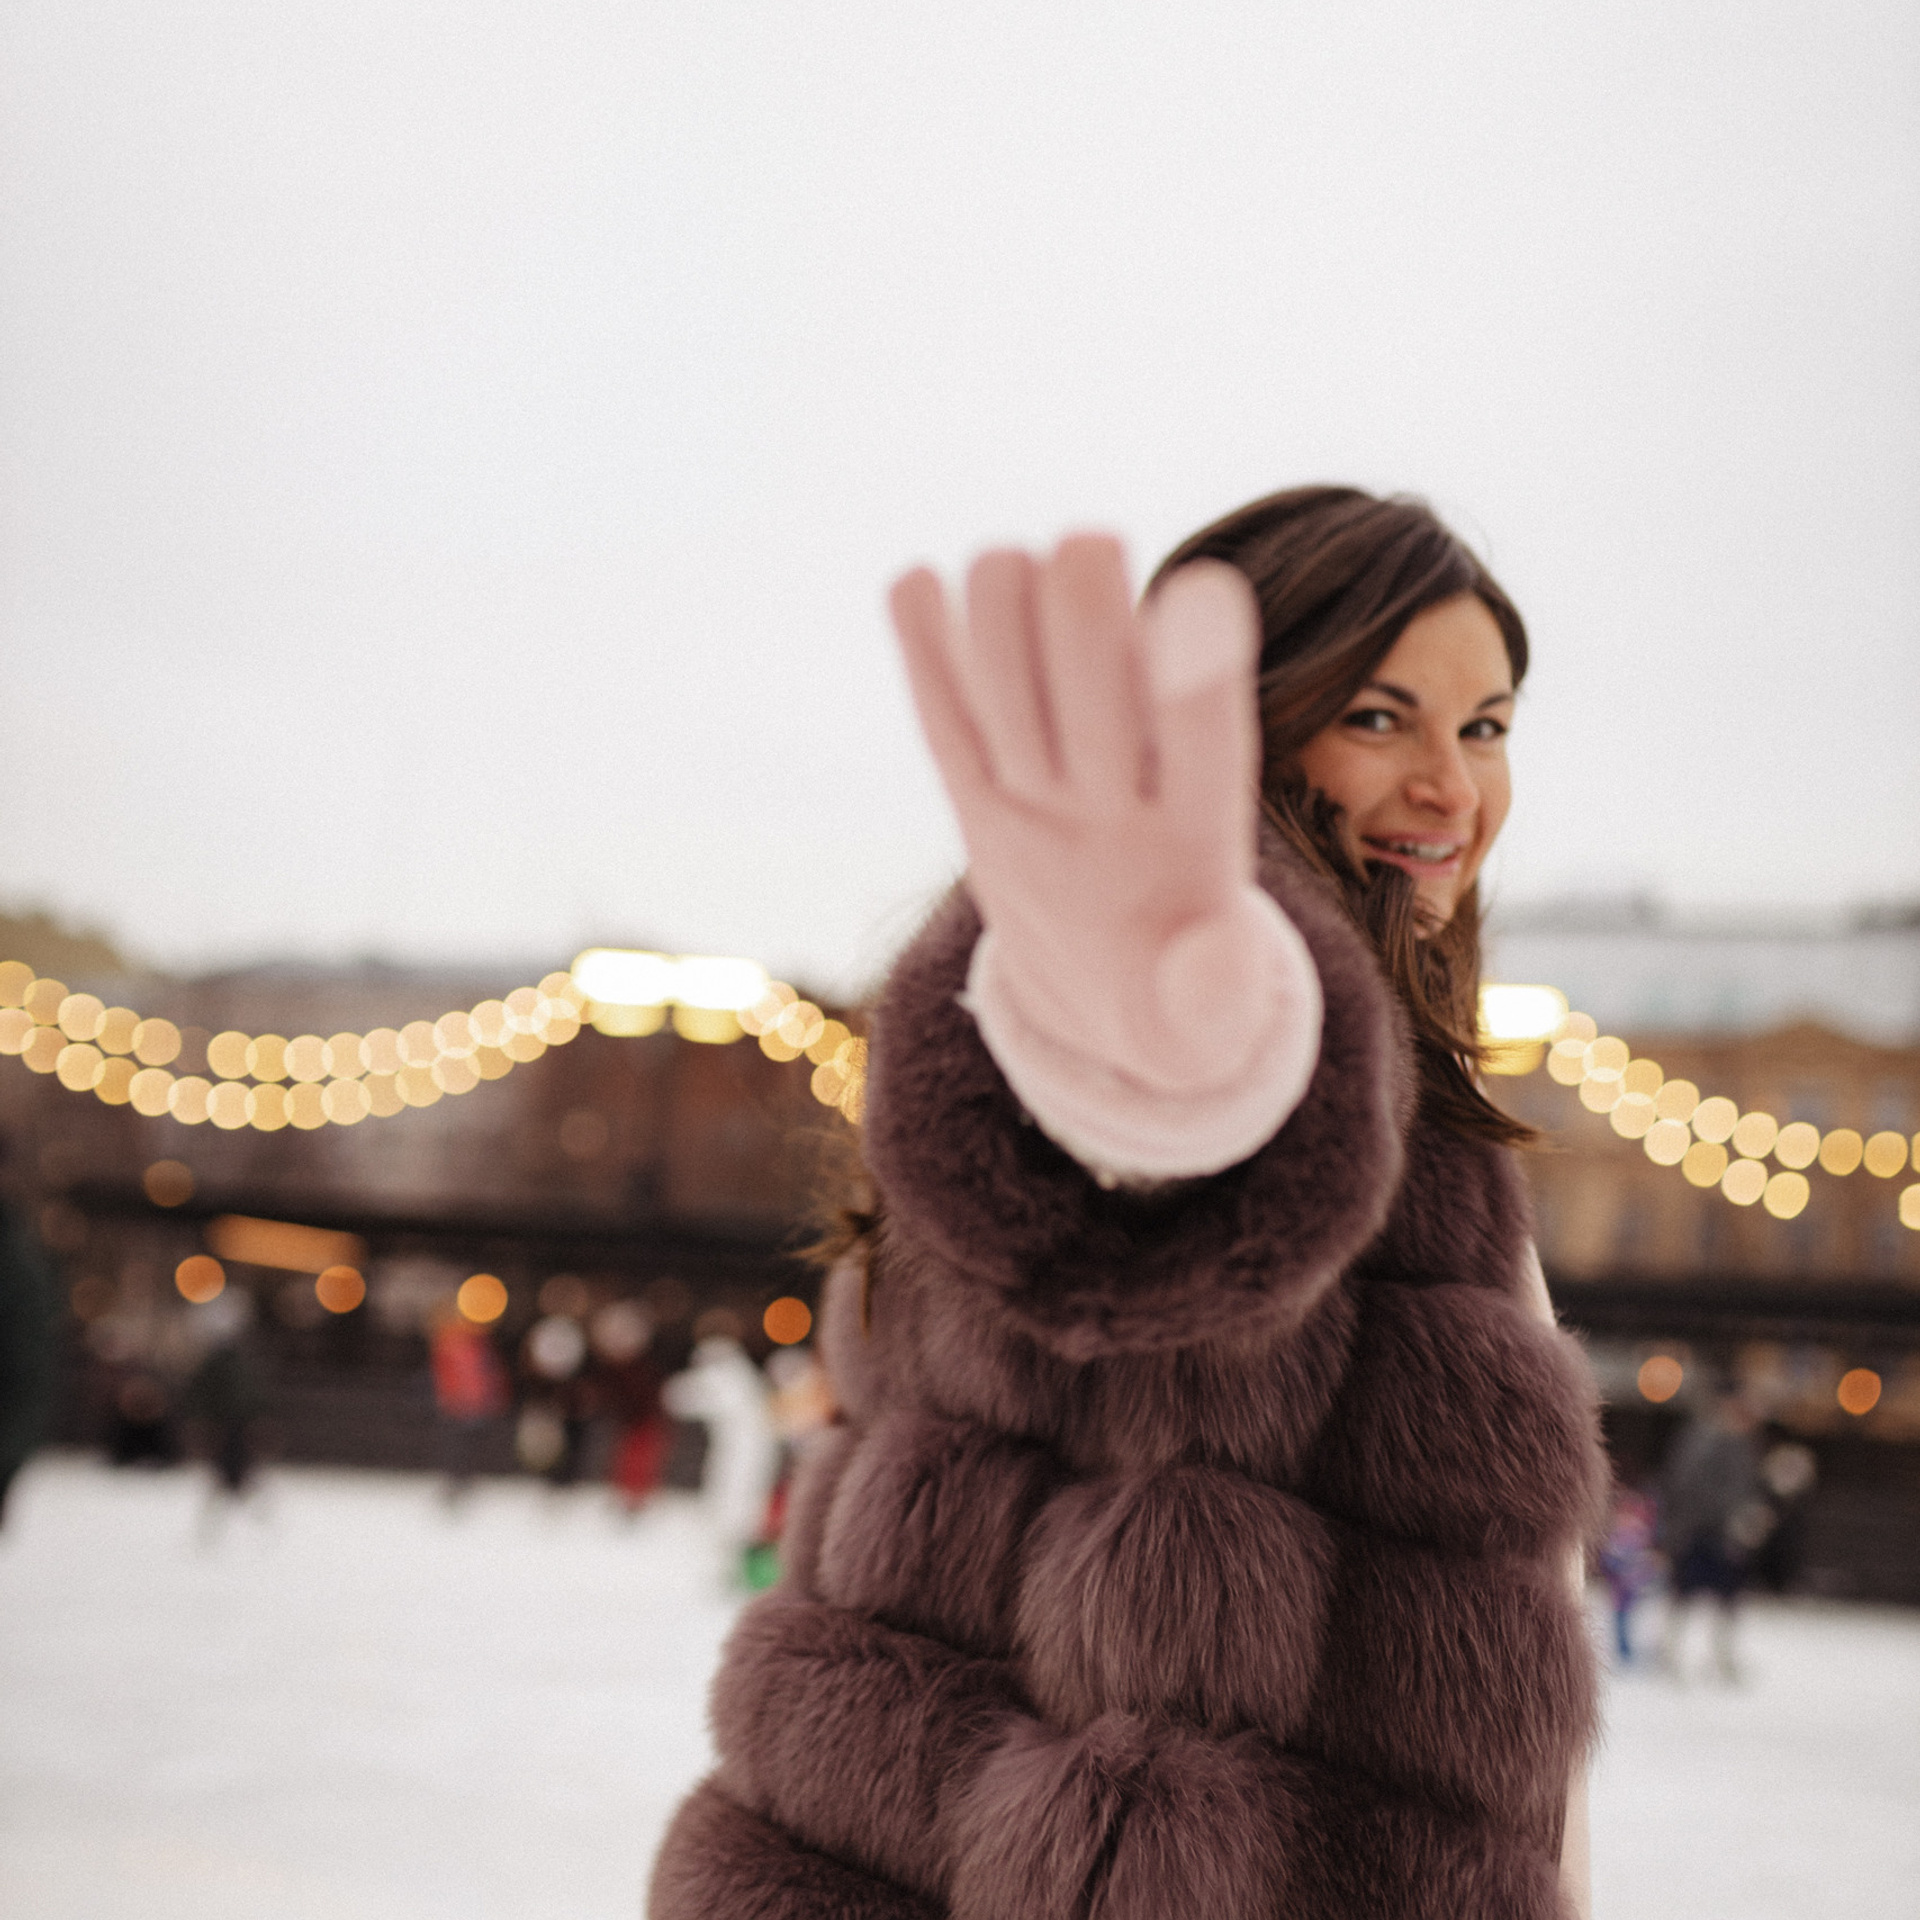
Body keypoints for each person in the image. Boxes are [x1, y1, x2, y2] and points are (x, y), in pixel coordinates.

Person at [650, 488, 1607, 1919]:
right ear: (1233, 725)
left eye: (1485, 727)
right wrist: (1160, 1041)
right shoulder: (1203, 1031)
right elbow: (1144, 1160)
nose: (1451, 787)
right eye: (1377, 718)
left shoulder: (1419, 1101)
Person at [1659, 1384, 1768, 1683]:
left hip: (1724, 1535)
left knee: (1728, 1597)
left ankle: (1721, 1655)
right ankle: (1670, 1652)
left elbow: (1744, 1488)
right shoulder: (1703, 1439)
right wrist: (1732, 1515)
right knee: (1685, 1593)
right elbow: (1688, 1485)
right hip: (1700, 1532)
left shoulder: (1741, 1442)